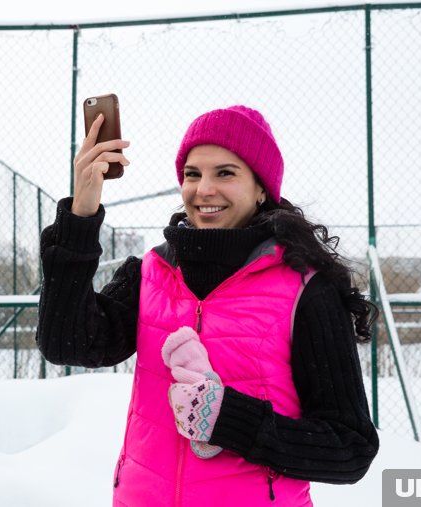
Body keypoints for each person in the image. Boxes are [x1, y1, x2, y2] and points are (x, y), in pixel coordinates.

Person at [36, 105, 379, 506]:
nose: (204, 190)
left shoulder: (306, 289)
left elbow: (350, 449)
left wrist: (230, 419)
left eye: (226, 173)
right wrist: (81, 214)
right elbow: (67, 344)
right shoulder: (152, 273)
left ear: (262, 188)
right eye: (192, 174)